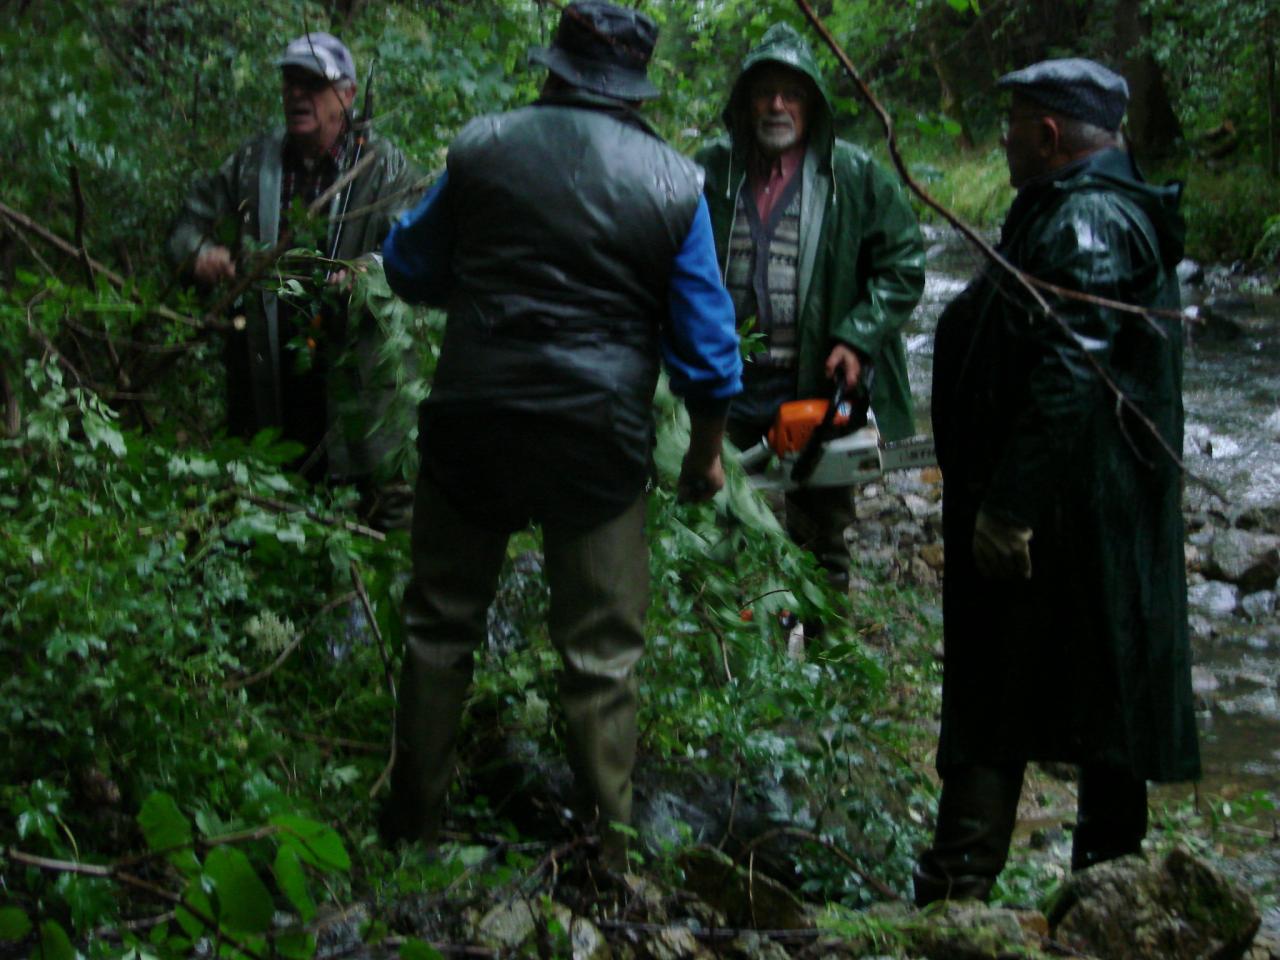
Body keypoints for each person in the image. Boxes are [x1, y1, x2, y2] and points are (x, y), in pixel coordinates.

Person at [376, 1, 743, 863]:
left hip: (474, 422)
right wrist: (705, 456)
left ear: (554, 70)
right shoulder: (673, 184)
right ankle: (610, 855)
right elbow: (710, 355)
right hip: (597, 440)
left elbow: (406, 267)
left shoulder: (481, 148)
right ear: (635, 93)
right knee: (602, 657)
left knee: (439, 628)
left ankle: (410, 832)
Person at [915, 58, 1200, 905]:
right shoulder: (1097, 211)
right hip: (1083, 520)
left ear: (1046, 136)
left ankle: (971, 898)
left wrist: (1006, 509)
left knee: (1000, 700)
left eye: (1012, 125)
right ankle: (1087, 901)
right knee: (1086, 707)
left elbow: (1072, 371)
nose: (1001, 140)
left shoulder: (1090, 223)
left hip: (1063, 525)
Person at [695, 23, 925, 588]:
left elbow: (904, 264)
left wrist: (858, 334)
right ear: (746, 102)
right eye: (765, 92)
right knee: (715, 524)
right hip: (727, 385)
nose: (777, 105)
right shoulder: (710, 169)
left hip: (817, 390)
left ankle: (829, 662)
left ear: (812, 105)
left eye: (791, 94)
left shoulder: (855, 174)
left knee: (823, 538)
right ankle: (734, 655)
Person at [168, 32, 423, 529]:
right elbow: (184, 230)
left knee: (373, 518)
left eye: (312, 83)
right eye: (289, 83)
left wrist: (367, 272)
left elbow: (416, 253)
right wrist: (201, 255)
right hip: (267, 379)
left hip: (357, 380)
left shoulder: (384, 167)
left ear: (346, 95)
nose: (296, 95)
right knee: (270, 512)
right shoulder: (252, 164)